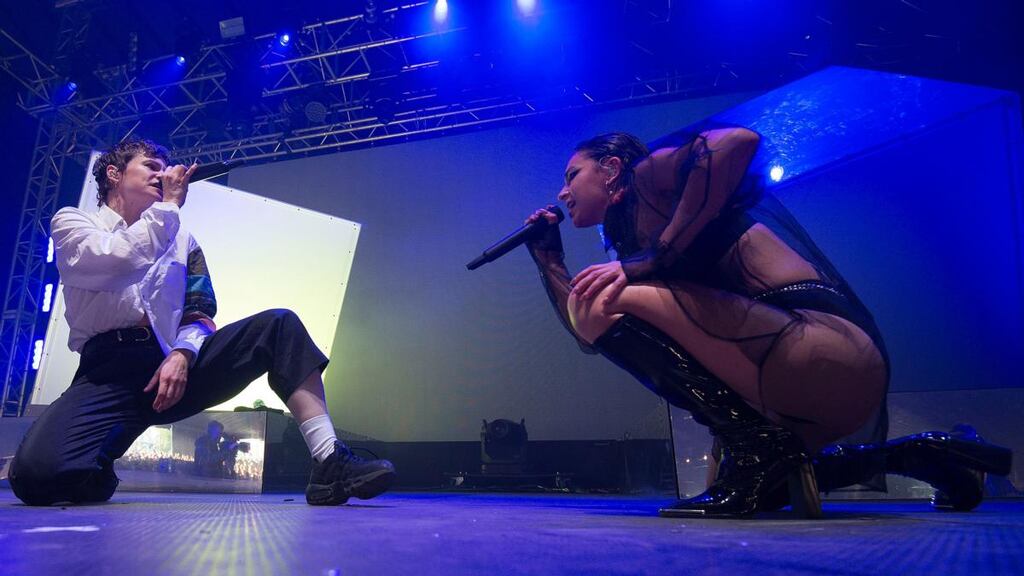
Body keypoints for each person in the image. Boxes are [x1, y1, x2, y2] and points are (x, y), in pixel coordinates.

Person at [525, 126, 1011, 516]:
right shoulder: (627, 235)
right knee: (781, 483)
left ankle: (760, 448)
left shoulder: (651, 179)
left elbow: (738, 142)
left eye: (572, 175)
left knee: (603, 298)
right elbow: (590, 327)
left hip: (821, 343)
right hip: (799, 373)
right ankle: (933, 454)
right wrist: (549, 260)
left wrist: (654, 258)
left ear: (612, 169)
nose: (562, 192)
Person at [9, 138, 395, 506]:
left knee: (278, 326)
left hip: (170, 367)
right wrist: (171, 207)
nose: (163, 175)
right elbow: (115, 262)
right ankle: (99, 463)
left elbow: (200, 310)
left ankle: (329, 461)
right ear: (113, 174)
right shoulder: (74, 223)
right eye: (151, 166)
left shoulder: (184, 239)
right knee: (33, 478)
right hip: (106, 372)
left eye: (165, 168)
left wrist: (182, 353)